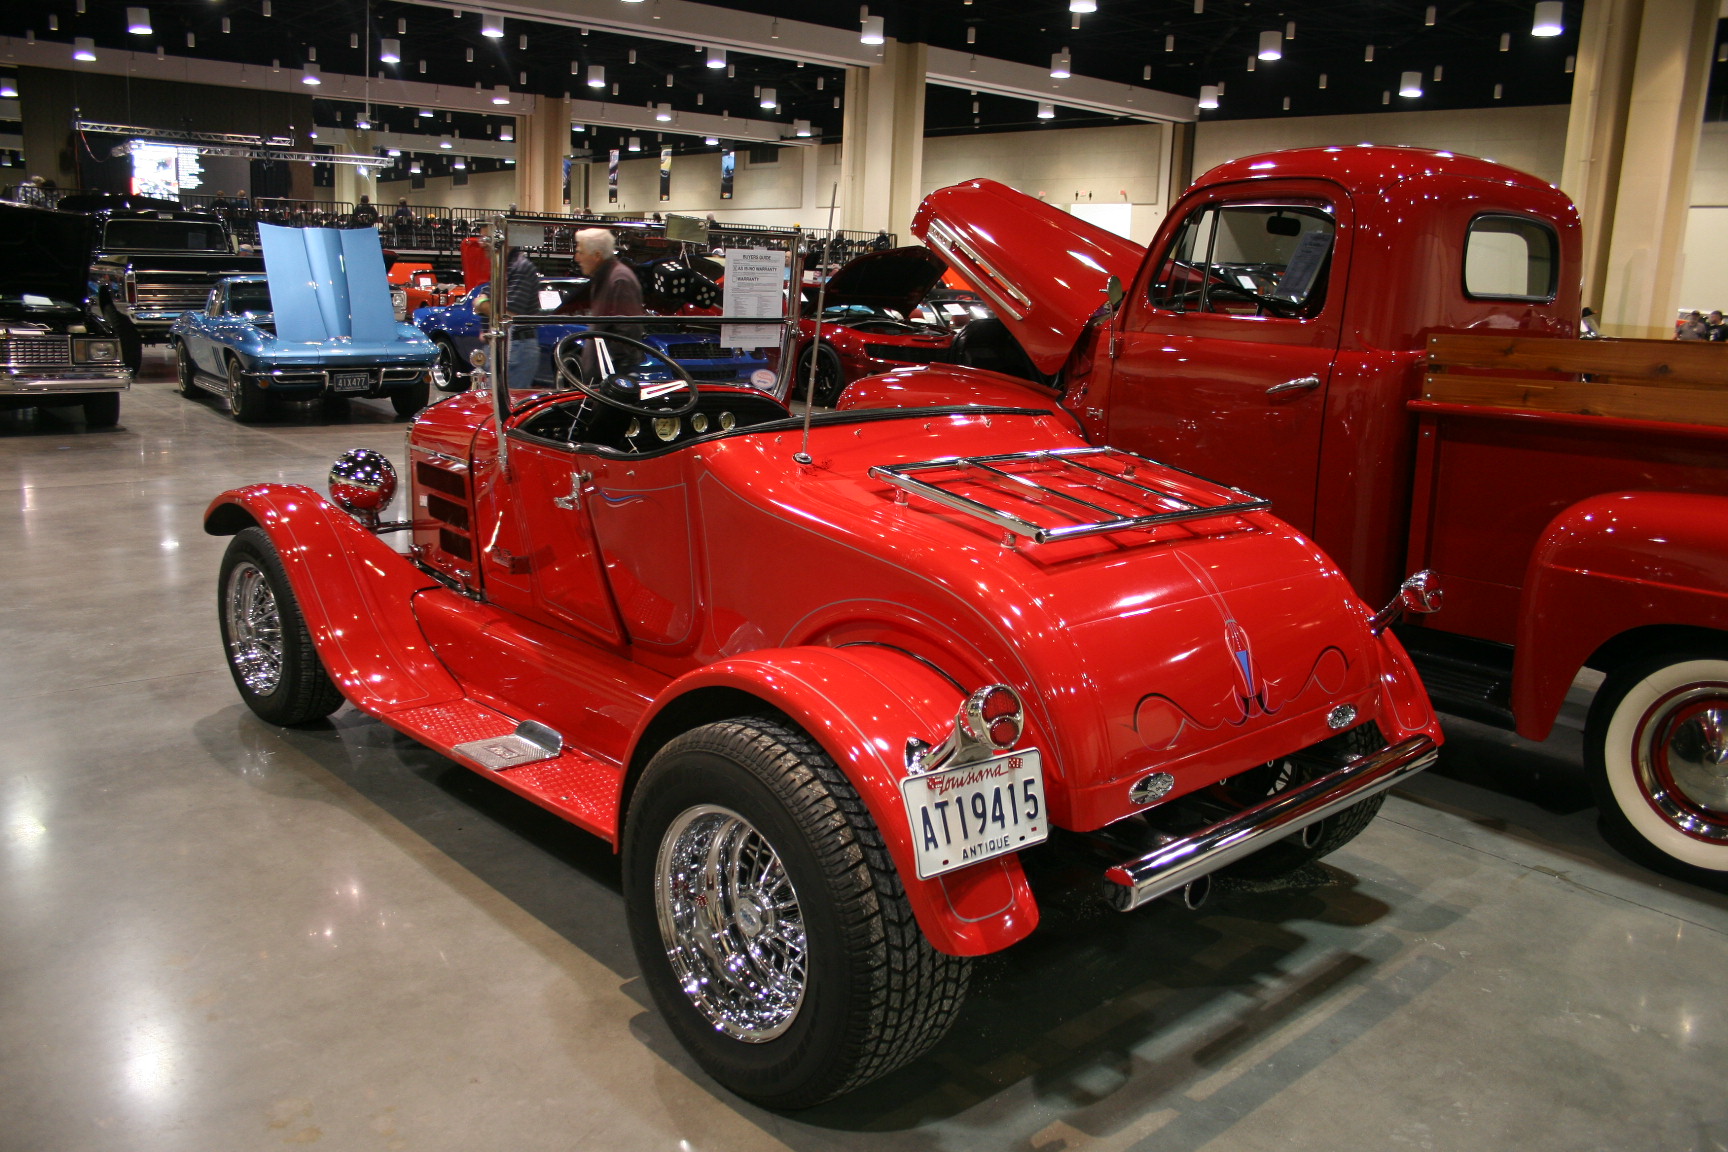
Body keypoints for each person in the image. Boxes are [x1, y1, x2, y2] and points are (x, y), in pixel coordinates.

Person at [473, 246, 544, 389]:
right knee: (494, 402)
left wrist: (482, 303)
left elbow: (509, 315)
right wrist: (483, 304)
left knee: (507, 404)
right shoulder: (503, 268)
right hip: (504, 346)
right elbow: (484, 299)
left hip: (515, 346)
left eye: (487, 238)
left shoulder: (520, 267)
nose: (483, 244)